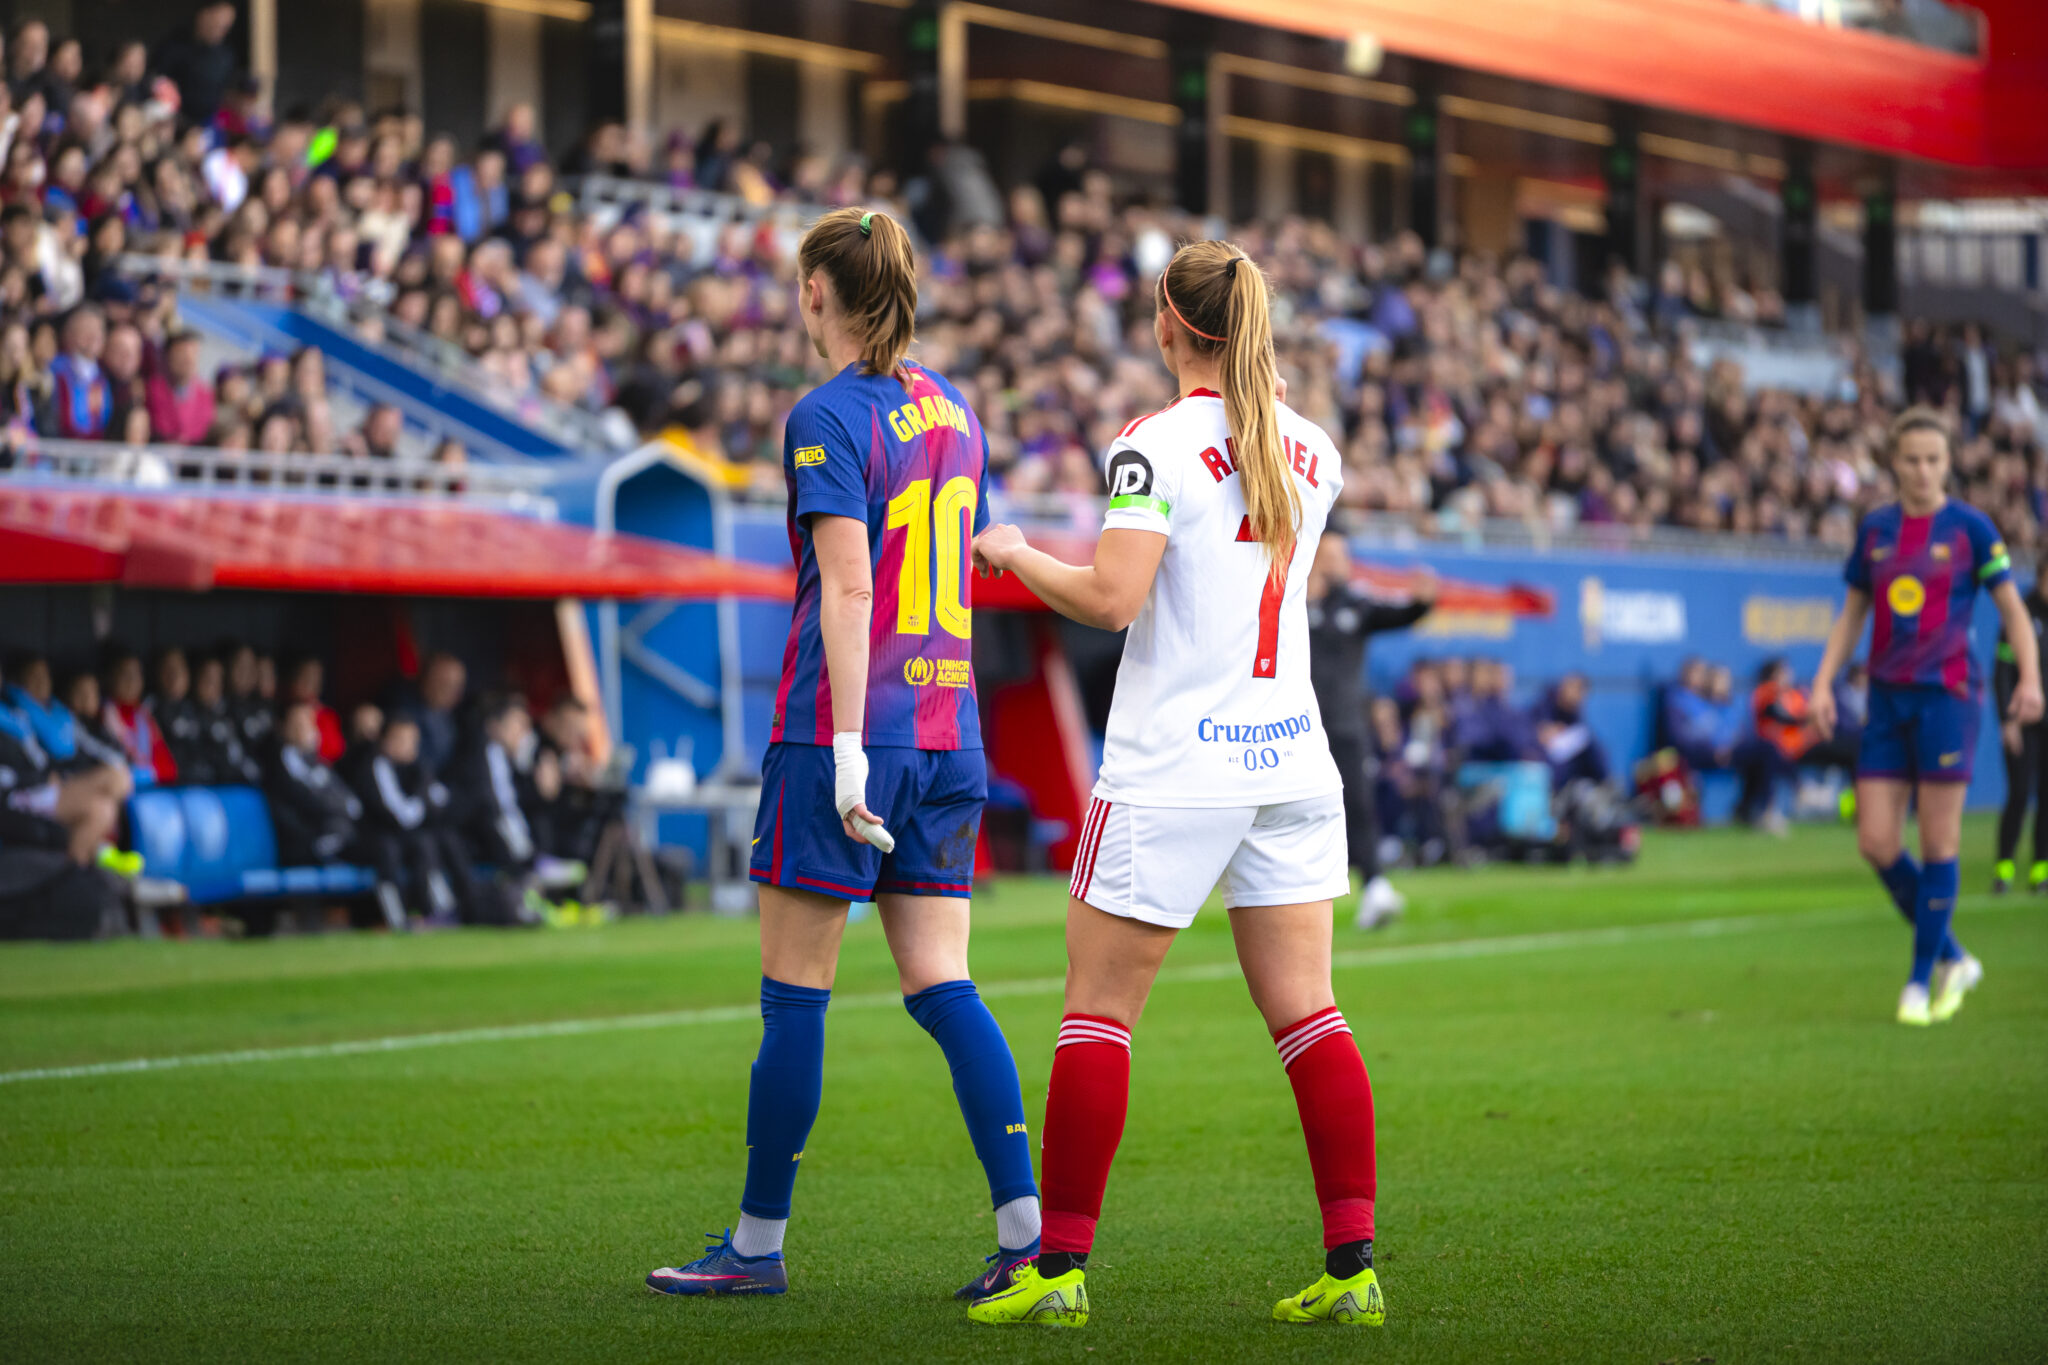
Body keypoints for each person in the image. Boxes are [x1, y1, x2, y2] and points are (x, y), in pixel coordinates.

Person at [966, 240, 1382, 1329]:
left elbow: (1111, 600)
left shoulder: (1148, 444)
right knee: (1308, 1014)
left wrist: (1012, 554)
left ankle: (1057, 1271)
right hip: (1289, 757)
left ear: (1165, 322)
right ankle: (1353, 1270)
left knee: (1097, 1015)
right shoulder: (1314, 449)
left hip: (1175, 765)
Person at [647, 206, 1040, 1303]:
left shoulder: (824, 414)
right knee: (945, 984)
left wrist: (845, 749)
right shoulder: (953, 410)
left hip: (845, 733)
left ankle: (757, 1249)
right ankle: (1026, 1236)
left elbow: (854, 584)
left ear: (819, 290)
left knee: (793, 997)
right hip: (949, 730)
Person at [1811, 407, 2044, 1026]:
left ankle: (1919, 981)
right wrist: (1823, 682)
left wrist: (2030, 676)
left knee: (1939, 841)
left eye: (1933, 459)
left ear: (1948, 463)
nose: (1922, 470)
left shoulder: (1970, 527)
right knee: (1876, 841)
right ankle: (1954, 956)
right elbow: (1851, 614)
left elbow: (2014, 611)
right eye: (1911, 459)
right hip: (1886, 699)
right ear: (1894, 462)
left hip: (1948, 698)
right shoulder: (1876, 530)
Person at [1304, 530, 1435, 930]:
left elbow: (1400, 614)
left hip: (1344, 725)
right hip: (1296, 727)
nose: (1338, 562)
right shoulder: (1290, 599)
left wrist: (1422, 602)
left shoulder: (1356, 605)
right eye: (1331, 554)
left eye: (1343, 554)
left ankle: (1374, 886)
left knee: (1356, 805)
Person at [1991, 551, 2048, 893]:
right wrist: (2007, 719)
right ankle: (2004, 869)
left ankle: (2041, 871)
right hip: (2023, 721)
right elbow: (2002, 671)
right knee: (2018, 794)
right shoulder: (2020, 614)